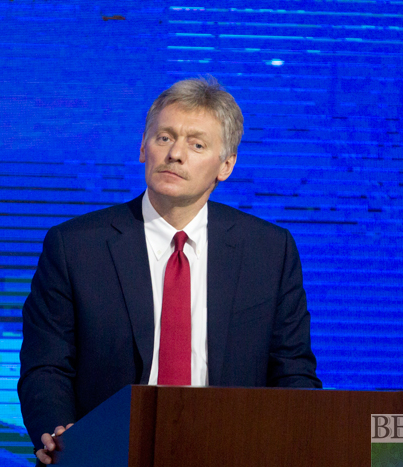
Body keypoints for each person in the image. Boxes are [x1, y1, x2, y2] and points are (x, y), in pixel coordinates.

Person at [18, 77, 322, 465]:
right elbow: (46, 366)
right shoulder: (75, 246)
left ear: (226, 165)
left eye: (197, 144)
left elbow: (293, 372)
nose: (175, 154)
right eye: (164, 137)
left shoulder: (269, 251)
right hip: (107, 454)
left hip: (232, 451)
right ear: (143, 147)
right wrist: (64, 436)